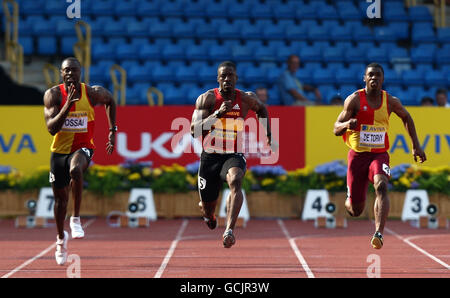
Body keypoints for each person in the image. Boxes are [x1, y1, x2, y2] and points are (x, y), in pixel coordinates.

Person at [333, 62, 426, 249]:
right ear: (364, 79)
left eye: (378, 75)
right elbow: (335, 128)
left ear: (383, 79)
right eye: (371, 75)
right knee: (355, 210)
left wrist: (416, 146)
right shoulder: (354, 100)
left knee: (382, 185)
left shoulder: (390, 101)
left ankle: (379, 232)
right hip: (358, 156)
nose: (374, 78)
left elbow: (406, 117)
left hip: (379, 155)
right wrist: (346, 125)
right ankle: (350, 198)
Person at [190, 61, 272, 248]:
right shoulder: (207, 99)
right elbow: (194, 131)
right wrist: (218, 114)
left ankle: (229, 231)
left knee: (235, 180)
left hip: (233, 153)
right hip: (210, 156)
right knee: (207, 208)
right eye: (223, 76)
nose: (227, 79)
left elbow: (261, 109)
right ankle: (209, 216)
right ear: (218, 79)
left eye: (230, 75)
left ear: (236, 78)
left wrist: (268, 133)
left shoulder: (246, 99)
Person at [43, 57, 117, 265]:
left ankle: (75, 219)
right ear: (61, 73)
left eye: (74, 70)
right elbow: (51, 129)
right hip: (59, 151)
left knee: (76, 170)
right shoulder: (53, 95)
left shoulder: (91, 93)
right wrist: (68, 105)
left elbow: (110, 100)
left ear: (80, 72)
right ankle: (60, 239)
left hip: (83, 147)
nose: (70, 74)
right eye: (66, 70)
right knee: (60, 201)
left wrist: (112, 130)